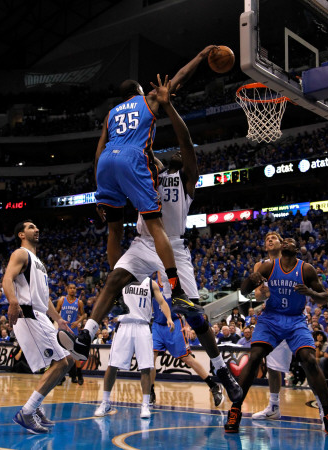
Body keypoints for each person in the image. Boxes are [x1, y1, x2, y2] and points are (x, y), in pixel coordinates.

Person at [58, 76, 242, 403]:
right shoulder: (149, 171)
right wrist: (105, 196)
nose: (170, 155)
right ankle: (85, 335)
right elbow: (131, 156)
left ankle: (220, 369)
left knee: (196, 316)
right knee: (114, 279)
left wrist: (168, 106)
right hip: (145, 242)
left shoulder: (187, 179)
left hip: (174, 247)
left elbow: (185, 143)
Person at [94, 46, 215, 303]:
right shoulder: (147, 99)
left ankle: (118, 292)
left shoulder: (110, 114)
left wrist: (99, 191)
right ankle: (175, 284)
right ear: (139, 92)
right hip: (132, 157)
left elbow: (99, 150)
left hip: (106, 162)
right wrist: (201, 56)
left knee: (114, 231)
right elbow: (178, 78)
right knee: (154, 224)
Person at [224, 237, 328, 435]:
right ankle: (235, 409)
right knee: (255, 356)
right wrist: (251, 280)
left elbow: (325, 297)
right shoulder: (268, 267)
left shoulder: (306, 269)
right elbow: (244, 291)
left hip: (295, 320)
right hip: (271, 319)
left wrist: (310, 292)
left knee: (309, 359)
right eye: (285, 242)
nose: (287, 243)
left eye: (291, 241)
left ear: (297, 249)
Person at [2, 220, 74, 434]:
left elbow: (45, 298)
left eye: (36, 227)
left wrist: (58, 319)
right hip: (28, 313)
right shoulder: (20, 253)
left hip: (40, 314)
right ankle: (27, 411)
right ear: (21, 234)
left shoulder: (37, 262)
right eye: (31, 227)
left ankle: (35, 408)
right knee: (63, 362)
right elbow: (6, 279)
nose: (37, 229)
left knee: (65, 362)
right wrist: (13, 302)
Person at [94, 277, 174, 418]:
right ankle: (105, 402)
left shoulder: (150, 283)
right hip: (124, 325)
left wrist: (169, 317)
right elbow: (108, 296)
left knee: (146, 368)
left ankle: (145, 404)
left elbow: (161, 301)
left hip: (143, 326)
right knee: (112, 365)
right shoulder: (123, 279)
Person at [149, 273, 223, 408]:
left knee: (187, 358)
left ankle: (213, 386)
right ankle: (150, 391)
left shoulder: (173, 285)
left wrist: (188, 325)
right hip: (158, 325)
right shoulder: (151, 284)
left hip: (175, 323)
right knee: (151, 358)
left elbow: (187, 304)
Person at [251, 231, 293, 420]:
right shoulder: (260, 266)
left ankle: (325, 410)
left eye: (274, 237)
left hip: (294, 315)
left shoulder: (291, 262)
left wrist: (273, 290)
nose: (269, 239)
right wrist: (268, 293)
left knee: (308, 359)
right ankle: (274, 406)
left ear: (282, 243)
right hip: (273, 316)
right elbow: (258, 296)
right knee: (273, 365)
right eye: (267, 238)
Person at [56, 283, 86, 385]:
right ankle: (61, 377)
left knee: (75, 354)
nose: (72, 290)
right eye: (71, 288)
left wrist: (78, 322)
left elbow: (84, 314)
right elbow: (56, 313)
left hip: (74, 331)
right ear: (67, 289)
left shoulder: (79, 302)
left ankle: (79, 375)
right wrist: (59, 320)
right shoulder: (62, 300)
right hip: (62, 330)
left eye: (74, 288)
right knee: (62, 355)